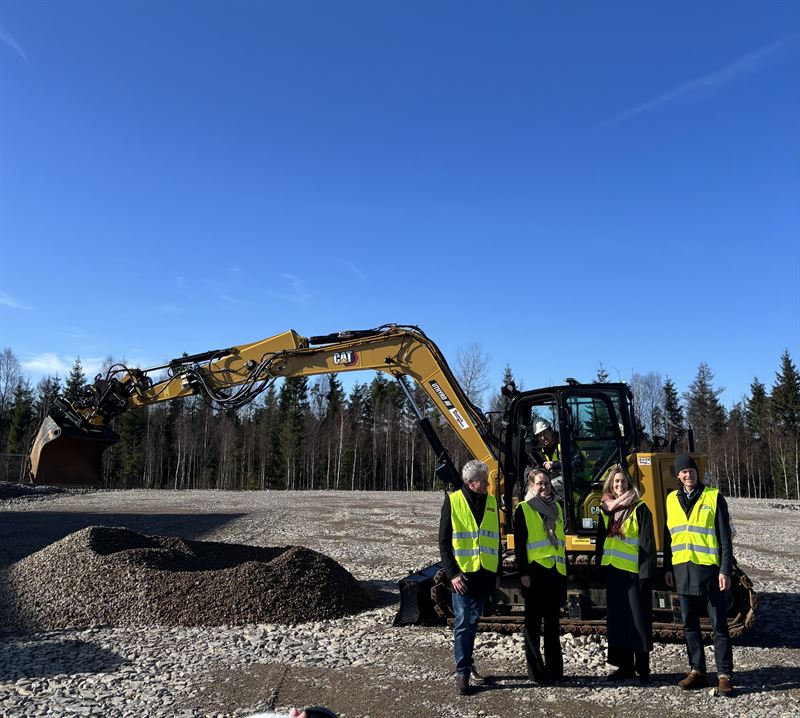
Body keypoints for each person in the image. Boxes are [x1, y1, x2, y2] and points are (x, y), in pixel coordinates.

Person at [664, 453, 735, 697]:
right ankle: (697, 671)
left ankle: (724, 675)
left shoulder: (713, 497)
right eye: (683, 471)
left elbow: (724, 537)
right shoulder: (671, 499)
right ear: (678, 475)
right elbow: (667, 536)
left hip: (709, 572)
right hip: (682, 570)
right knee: (689, 625)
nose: (688, 475)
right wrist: (667, 568)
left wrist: (725, 569)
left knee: (719, 625)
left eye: (691, 470)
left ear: (697, 472)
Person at [438, 459, 502, 695]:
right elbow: (444, 541)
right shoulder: (453, 501)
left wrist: (497, 572)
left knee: (473, 621)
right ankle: (462, 672)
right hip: (462, 575)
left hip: (484, 573)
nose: (487, 484)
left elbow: (495, 539)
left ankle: (468, 661)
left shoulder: (491, 502)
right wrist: (452, 574)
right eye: (484, 481)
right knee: (463, 622)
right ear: (471, 482)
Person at [594, 465, 655, 683]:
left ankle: (643, 668)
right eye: (616, 481)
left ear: (629, 484)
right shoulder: (606, 510)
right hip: (613, 570)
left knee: (638, 620)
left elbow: (647, 543)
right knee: (618, 620)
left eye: (623, 481)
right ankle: (624, 667)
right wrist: (599, 566)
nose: (620, 485)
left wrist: (645, 573)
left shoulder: (640, 508)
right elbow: (601, 540)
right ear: (611, 485)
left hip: (633, 572)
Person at [514, 468, 566, 684]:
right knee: (533, 625)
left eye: (546, 483)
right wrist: (523, 573)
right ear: (531, 485)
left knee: (553, 624)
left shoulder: (557, 507)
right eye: (539, 483)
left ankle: (555, 671)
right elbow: (519, 545)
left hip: (555, 571)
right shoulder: (524, 509)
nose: (544, 486)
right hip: (535, 572)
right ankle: (535, 672)